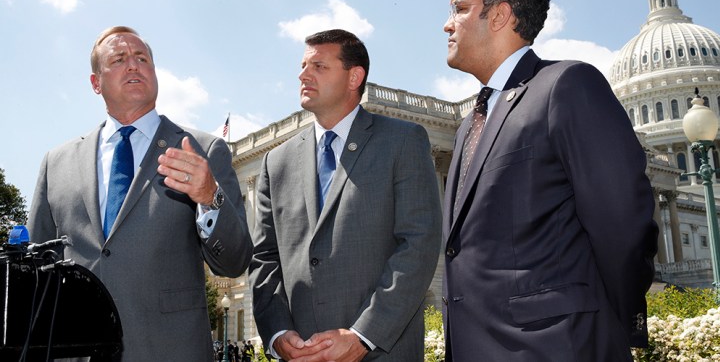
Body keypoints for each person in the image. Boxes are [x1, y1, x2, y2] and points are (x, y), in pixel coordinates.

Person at [441, 0, 659, 361]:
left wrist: (601, 316)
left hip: (557, 345)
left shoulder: (566, 85)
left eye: (459, 8)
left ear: (500, 15)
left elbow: (623, 221)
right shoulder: (470, 125)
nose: (447, 24)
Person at [28, 26, 252, 361]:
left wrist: (210, 197)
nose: (133, 65)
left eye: (142, 58)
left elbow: (235, 261)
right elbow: (36, 272)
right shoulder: (56, 163)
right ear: (95, 83)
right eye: (119, 59)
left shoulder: (204, 150)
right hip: (72, 351)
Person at [249, 29, 441, 361]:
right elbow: (264, 258)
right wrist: (278, 333)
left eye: (319, 66)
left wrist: (363, 336)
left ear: (354, 77)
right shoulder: (275, 162)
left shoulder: (402, 141)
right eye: (303, 65)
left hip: (382, 352)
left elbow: (418, 244)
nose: (302, 74)